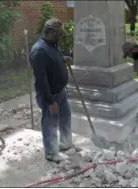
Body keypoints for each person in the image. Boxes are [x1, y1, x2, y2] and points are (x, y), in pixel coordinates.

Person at [29, 18, 80, 164]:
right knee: (50, 124)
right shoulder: (39, 51)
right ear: (50, 32)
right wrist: (50, 101)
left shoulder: (52, 45)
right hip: (50, 95)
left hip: (61, 92)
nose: (60, 36)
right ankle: (51, 153)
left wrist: (63, 58)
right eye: (58, 34)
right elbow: (41, 80)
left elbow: (53, 58)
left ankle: (66, 144)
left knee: (65, 118)